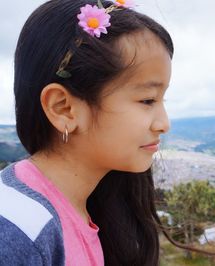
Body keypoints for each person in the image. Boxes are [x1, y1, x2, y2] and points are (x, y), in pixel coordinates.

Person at [0, 0, 173, 265]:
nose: (163, 123)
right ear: (64, 108)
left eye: (163, 100)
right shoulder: (19, 231)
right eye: (148, 100)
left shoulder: (85, 208)